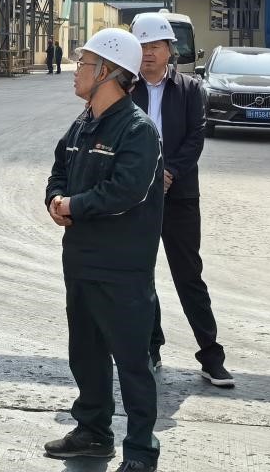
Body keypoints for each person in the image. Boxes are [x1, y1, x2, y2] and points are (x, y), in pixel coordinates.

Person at [45, 27, 163, 472]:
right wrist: (54, 199)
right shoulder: (82, 123)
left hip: (122, 268)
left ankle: (140, 451)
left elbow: (126, 191)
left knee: (132, 361)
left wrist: (74, 205)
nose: (77, 69)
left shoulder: (137, 130)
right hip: (80, 261)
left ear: (108, 72)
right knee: (86, 353)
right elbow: (59, 169)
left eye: (85, 63)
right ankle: (93, 433)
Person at [128, 13, 231, 388]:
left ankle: (211, 356)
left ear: (170, 50)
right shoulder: (124, 88)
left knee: (189, 275)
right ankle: (151, 347)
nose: (148, 53)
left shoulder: (189, 89)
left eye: (155, 46)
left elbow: (195, 137)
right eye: (142, 46)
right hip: (135, 198)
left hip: (180, 196)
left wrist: (169, 173)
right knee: (140, 274)